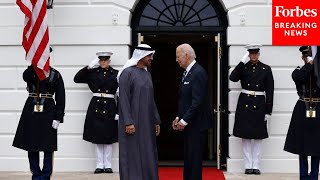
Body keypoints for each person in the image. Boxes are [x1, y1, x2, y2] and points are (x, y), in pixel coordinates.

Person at [12, 47, 65, 180]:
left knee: (48, 145)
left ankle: (46, 175)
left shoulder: (55, 74)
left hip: (48, 109)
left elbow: (61, 97)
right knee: (31, 144)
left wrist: (58, 117)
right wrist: (33, 64)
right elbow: (26, 77)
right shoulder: (31, 72)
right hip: (31, 108)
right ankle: (36, 174)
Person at [117, 44, 161, 180]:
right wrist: (128, 122)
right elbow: (123, 99)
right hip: (132, 123)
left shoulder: (147, 74)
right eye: (149, 56)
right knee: (132, 153)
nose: (151, 58)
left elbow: (151, 99)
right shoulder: (127, 73)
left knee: (148, 151)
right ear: (141, 56)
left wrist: (156, 120)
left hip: (147, 122)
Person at [229, 44, 274, 175]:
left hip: (259, 104)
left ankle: (256, 165)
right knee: (246, 136)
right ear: (248, 55)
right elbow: (233, 77)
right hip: (245, 104)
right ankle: (248, 165)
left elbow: (270, 91)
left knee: (258, 137)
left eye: (256, 53)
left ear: (259, 54)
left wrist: (268, 110)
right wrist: (241, 62)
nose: (253, 56)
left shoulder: (266, 69)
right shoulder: (244, 67)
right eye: (251, 54)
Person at [172, 43, 212, 180]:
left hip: (197, 124)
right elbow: (185, 99)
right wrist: (179, 117)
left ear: (186, 55)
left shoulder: (198, 72)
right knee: (189, 159)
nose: (177, 60)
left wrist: (184, 121)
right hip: (189, 124)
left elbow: (197, 101)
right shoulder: (187, 72)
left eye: (178, 56)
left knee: (194, 160)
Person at [74, 52, 118, 174]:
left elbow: (120, 93)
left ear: (109, 61)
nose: (103, 62)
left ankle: (108, 165)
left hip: (110, 105)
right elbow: (77, 79)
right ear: (98, 61)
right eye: (101, 60)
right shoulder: (92, 73)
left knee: (108, 136)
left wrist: (118, 111)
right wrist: (88, 67)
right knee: (98, 136)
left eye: (105, 60)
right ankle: (99, 165)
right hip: (96, 104)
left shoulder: (116, 73)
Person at [284, 46, 320, 180]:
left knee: (317, 146)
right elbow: (300, 77)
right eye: (306, 56)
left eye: (310, 56)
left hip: (318, 108)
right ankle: (304, 176)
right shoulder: (299, 70)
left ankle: (314, 175)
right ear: (303, 57)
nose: (308, 58)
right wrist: (310, 65)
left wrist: (315, 65)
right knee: (302, 147)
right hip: (303, 108)